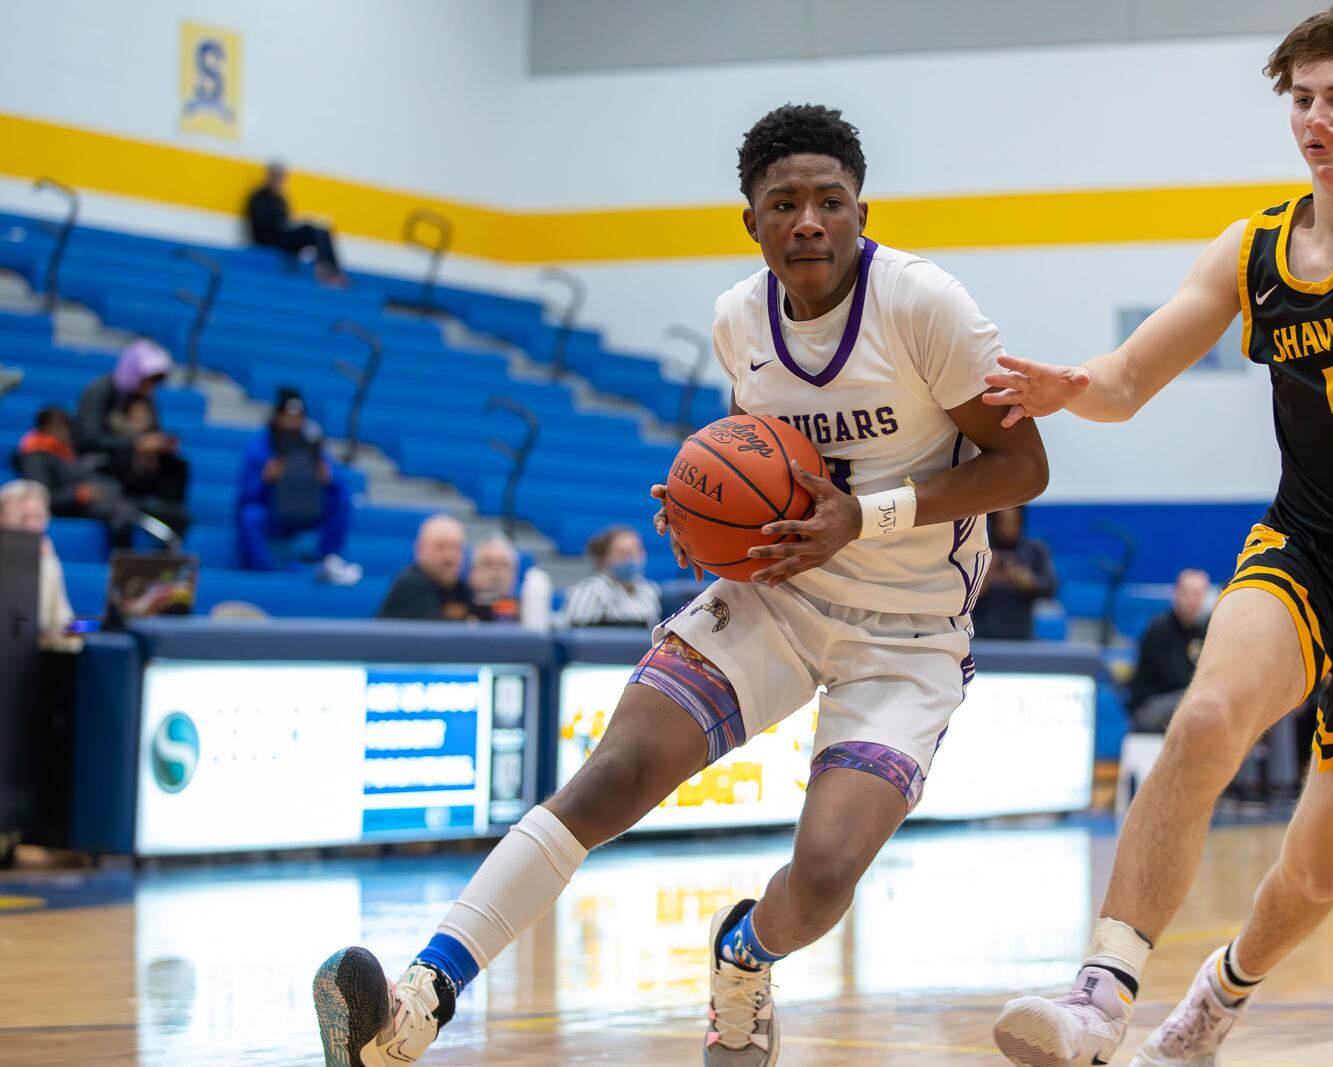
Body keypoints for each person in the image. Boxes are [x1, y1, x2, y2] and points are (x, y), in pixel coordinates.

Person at [312, 102, 1048, 1067]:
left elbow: (1024, 466)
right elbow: (758, 451)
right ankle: (416, 1003)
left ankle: (744, 958)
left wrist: (859, 518)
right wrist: (704, 506)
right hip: (778, 597)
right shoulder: (738, 318)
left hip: (907, 634)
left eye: (832, 200)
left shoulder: (924, 306)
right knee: (611, 774)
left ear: (863, 210)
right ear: (753, 221)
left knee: (824, 874)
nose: (810, 221)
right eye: (785, 203)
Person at [983, 4, 1333, 1062]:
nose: (1315, 118)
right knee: (1210, 711)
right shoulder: (1254, 245)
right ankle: (1099, 990)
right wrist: (1068, 385)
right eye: (1302, 99)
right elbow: (1127, 382)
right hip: (1305, 544)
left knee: (1315, 873)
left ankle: (1215, 1002)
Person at [236, 388, 361, 584]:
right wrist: (265, 479)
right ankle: (262, 576)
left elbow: (336, 480)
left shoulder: (312, 445)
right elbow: (245, 495)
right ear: (277, 416)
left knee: (343, 496)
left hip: (308, 510)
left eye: (298, 417)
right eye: (288, 416)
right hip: (274, 513)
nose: (293, 422)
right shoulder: (259, 445)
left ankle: (327, 561)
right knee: (250, 516)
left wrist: (329, 478)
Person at [73, 339, 190, 540]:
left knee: (177, 467)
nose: (152, 386)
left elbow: (153, 433)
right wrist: (134, 444)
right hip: (101, 467)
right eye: (149, 379)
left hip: (136, 471)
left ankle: (168, 519)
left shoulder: (146, 398)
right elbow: (86, 438)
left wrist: (160, 446)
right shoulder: (101, 390)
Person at [11, 405, 146, 547]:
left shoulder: (65, 454)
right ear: (48, 427)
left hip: (80, 505)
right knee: (120, 514)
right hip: (66, 509)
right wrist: (78, 494)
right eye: (64, 426)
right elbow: (41, 497)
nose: (68, 432)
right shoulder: (35, 457)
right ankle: (123, 560)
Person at [1125, 569, 1211, 734]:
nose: (1193, 601)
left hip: (1184, 702)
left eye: (1198, 595)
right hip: (1149, 707)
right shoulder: (1159, 629)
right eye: (1188, 594)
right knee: (1199, 698)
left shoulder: (1204, 629)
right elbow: (1174, 679)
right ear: (1176, 594)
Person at [0, 480, 80, 652]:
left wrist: (91, 627)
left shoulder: (48, 561)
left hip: (31, 660)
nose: (31, 527)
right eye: (22, 519)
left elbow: (61, 622)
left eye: (38, 518)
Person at [246, 162, 346, 285]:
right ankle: (325, 270)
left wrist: (292, 223)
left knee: (321, 231)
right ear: (268, 177)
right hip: (269, 240)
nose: (278, 181)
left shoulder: (281, 199)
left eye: (281, 177)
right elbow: (265, 224)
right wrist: (287, 224)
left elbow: (286, 220)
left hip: (283, 237)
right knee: (309, 229)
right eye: (276, 177)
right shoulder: (258, 197)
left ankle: (331, 269)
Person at [970, 505, 1058, 640]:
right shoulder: (979, 551)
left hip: (1020, 636)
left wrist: (1027, 581)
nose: (1007, 527)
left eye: (1012, 521)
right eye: (1002, 521)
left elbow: (1050, 588)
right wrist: (986, 576)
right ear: (994, 521)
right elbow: (960, 594)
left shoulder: (1034, 551)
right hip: (981, 635)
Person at [375, 514, 485, 621]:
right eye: (441, 547)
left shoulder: (458, 588)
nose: (449, 557)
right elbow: (438, 636)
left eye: (456, 548)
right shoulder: (412, 584)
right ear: (420, 549)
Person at [557, 525, 661, 629]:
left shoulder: (649, 590)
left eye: (635, 550)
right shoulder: (591, 591)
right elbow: (575, 637)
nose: (630, 558)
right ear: (603, 558)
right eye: (621, 553)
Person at [466, 534, 521, 622]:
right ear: (472, 572)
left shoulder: (526, 614)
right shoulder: (459, 610)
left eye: (504, 565)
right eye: (488, 564)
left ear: (514, 573)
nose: (497, 573)